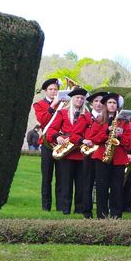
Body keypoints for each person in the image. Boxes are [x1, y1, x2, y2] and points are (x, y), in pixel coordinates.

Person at [85, 93, 131, 219]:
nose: (112, 105)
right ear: (106, 105)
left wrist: (121, 135)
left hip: (118, 158)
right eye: (110, 103)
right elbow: (93, 139)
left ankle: (116, 215)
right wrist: (107, 130)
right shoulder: (99, 120)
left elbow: (129, 141)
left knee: (117, 187)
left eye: (114, 103)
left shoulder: (124, 121)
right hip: (102, 157)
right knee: (102, 187)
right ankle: (102, 215)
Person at [45, 87, 90, 215]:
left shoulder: (87, 115)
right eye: (77, 98)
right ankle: (65, 208)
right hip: (66, 153)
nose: (80, 100)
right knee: (65, 183)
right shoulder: (63, 113)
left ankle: (79, 209)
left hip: (80, 153)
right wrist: (57, 137)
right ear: (72, 99)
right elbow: (51, 130)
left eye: (82, 98)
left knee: (81, 183)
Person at [33, 78, 63, 211]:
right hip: (46, 144)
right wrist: (53, 106)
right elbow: (43, 120)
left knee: (61, 177)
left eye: (55, 89)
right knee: (47, 177)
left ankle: (61, 206)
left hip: (61, 144)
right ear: (46, 91)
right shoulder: (38, 104)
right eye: (50, 89)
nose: (53, 92)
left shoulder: (64, 104)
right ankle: (46, 207)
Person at [81, 91, 106, 219]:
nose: (98, 104)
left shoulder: (109, 118)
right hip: (89, 153)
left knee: (102, 183)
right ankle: (87, 211)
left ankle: (102, 212)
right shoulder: (85, 117)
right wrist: (83, 140)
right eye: (95, 101)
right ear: (91, 104)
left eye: (101, 102)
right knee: (88, 182)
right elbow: (75, 134)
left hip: (102, 153)